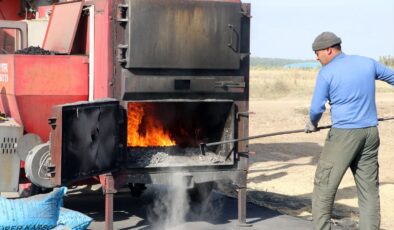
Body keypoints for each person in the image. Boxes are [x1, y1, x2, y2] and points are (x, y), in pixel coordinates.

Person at [305, 31, 394, 230]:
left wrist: (312, 122)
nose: (316, 57)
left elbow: (316, 108)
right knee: (368, 190)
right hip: (370, 133)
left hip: (344, 136)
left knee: (324, 187)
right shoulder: (367, 63)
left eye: (317, 53)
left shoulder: (327, 72)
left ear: (328, 50)